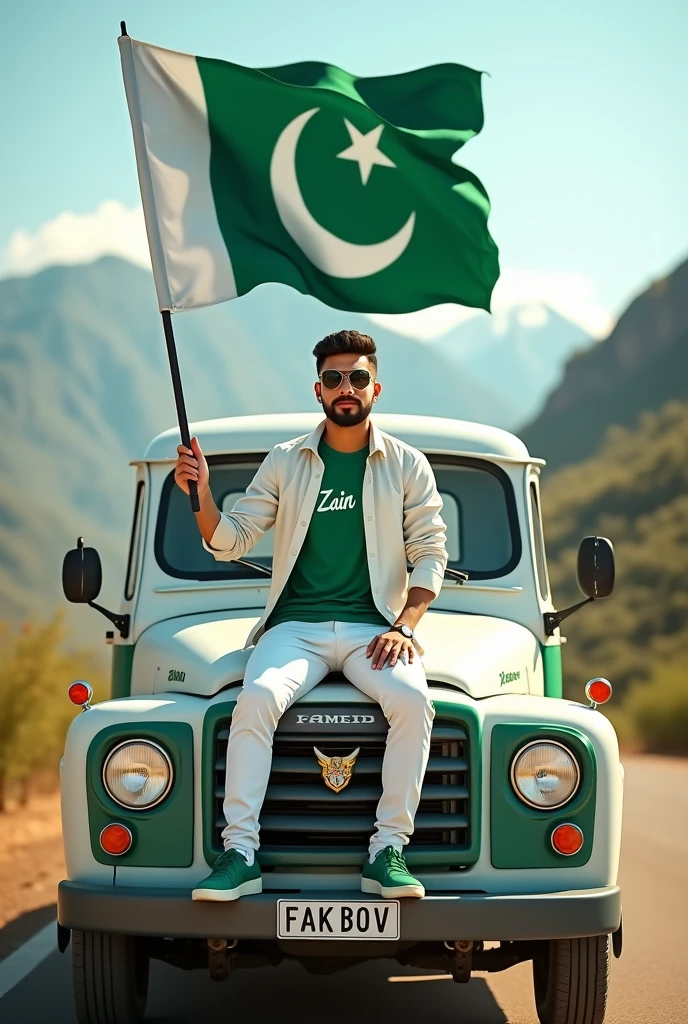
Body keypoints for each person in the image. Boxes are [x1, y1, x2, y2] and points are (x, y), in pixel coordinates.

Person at [174, 330, 448, 903]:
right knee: (255, 698)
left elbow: (429, 550)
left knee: (414, 700)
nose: (345, 388)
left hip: (375, 628)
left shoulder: (406, 464)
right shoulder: (286, 461)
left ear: (376, 385)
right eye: (333, 378)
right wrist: (200, 492)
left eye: (356, 377)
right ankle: (240, 854)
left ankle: (387, 851)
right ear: (318, 389)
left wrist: (405, 627)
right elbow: (231, 539)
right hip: (293, 629)